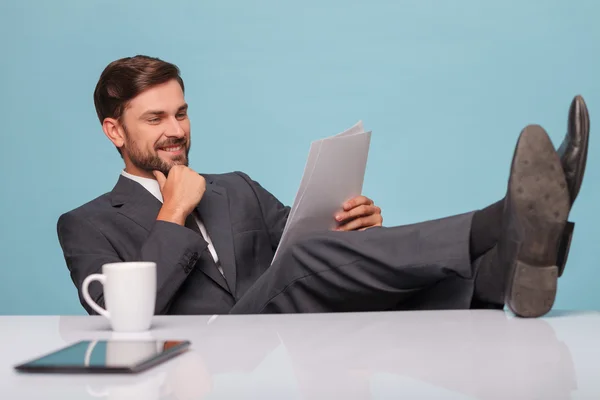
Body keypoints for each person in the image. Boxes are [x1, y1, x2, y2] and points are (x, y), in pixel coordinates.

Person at [57, 55, 590, 318]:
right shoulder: (86, 224)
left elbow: (321, 255)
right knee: (304, 262)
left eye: (181, 113)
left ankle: (501, 276)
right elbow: (120, 319)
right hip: (203, 358)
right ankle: (504, 220)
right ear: (114, 131)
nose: (175, 130)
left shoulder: (235, 187)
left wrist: (359, 230)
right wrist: (171, 215)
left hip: (295, 338)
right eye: (155, 119)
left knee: (334, 256)